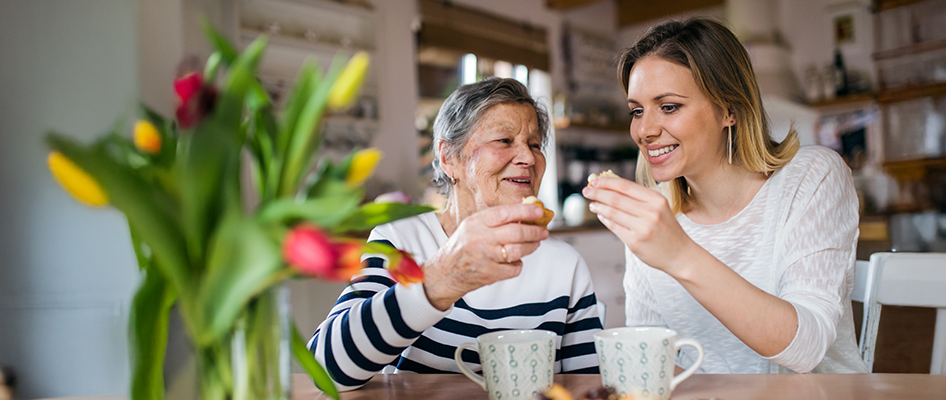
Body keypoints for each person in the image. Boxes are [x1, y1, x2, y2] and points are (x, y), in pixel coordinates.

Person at [582, 18, 866, 374]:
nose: (645, 130)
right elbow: (653, 357)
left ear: (729, 110)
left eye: (669, 106)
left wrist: (679, 254)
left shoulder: (811, 176)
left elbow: (805, 349)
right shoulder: (656, 210)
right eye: (637, 110)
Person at [310, 77, 603, 391]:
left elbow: (589, 387)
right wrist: (441, 281)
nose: (528, 158)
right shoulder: (401, 241)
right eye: (504, 140)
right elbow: (325, 368)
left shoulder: (564, 265)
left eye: (534, 144)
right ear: (450, 157)